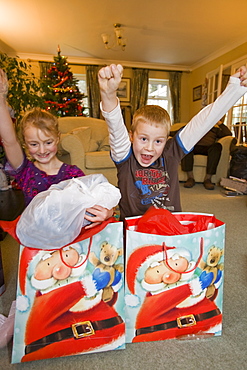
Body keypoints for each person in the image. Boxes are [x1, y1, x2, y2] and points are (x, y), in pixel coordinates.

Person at [98, 64, 247, 220]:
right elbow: (115, 127)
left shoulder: (170, 153)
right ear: (131, 137)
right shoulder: (125, 157)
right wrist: (108, 95)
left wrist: (235, 89)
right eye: (143, 139)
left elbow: (203, 122)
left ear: (166, 140)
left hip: (169, 230)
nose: (149, 148)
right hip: (134, 232)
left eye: (158, 141)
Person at [0, 68, 113, 228]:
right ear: (25, 144)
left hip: (67, 243)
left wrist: (108, 212)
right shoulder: (25, 171)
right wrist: (1, 99)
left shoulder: (73, 174)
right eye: (34, 144)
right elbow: (9, 140)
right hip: (35, 241)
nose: (42, 150)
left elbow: (95, 204)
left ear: (57, 138)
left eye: (48, 142)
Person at [181, 116, 232, 190]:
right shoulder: (192, 126)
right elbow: (176, 133)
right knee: (186, 145)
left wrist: (219, 123)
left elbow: (228, 134)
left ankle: (208, 179)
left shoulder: (215, 129)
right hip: (194, 147)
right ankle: (190, 178)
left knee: (217, 146)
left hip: (208, 148)